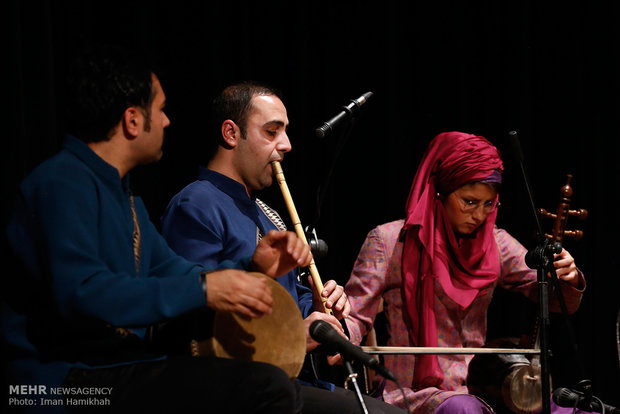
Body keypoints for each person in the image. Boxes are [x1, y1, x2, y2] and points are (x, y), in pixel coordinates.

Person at [2, 46, 314, 413]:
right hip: (59, 384)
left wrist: (251, 269)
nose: (167, 121)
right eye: (161, 109)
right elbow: (84, 292)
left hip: (113, 370)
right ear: (133, 121)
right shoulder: (61, 183)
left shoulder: (125, 196)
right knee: (263, 387)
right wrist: (204, 288)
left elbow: (174, 271)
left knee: (272, 386)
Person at [160, 82, 406, 414]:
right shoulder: (197, 204)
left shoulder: (267, 213)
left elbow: (291, 298)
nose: (287, 145)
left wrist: (318, 306)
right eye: (272, 132)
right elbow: (200, 320)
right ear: (232, 134)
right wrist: (292, 335)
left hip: (289, 383)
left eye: (285, 132)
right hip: (240, 390)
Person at [344, 131, 587, 414]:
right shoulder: (388, 240)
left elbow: (561, 303)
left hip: (486, 389)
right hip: (414, 391)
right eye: (469, 202)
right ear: (439, 192)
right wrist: (337, 334)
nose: (479, 215)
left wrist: (567, 276)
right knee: (463, 409)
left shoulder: (495, 242)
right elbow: (355, 315)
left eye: (488, 204)